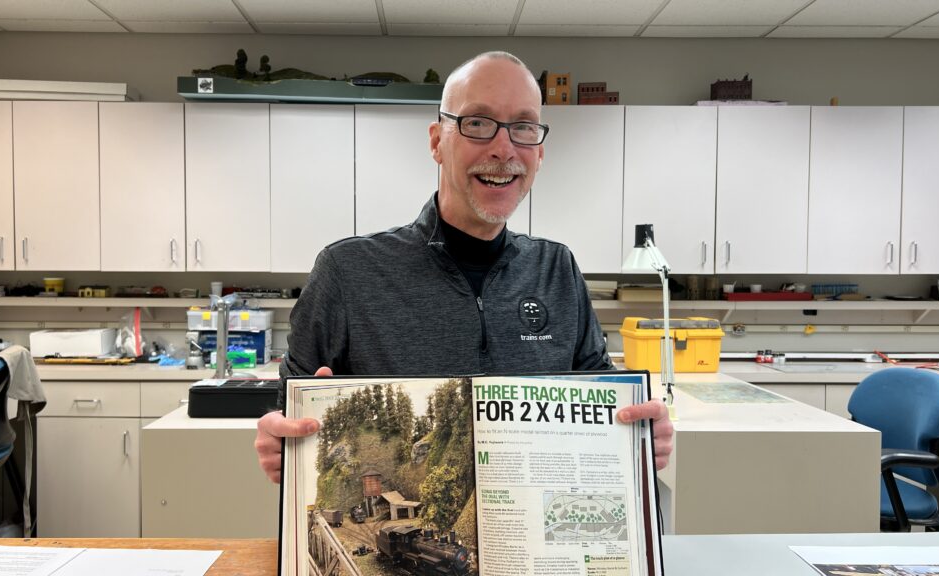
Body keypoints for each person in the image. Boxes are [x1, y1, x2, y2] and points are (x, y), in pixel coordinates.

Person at [256, 51, 673, 483]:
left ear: (540, 153)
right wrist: (277, 431)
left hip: (531, 545)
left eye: (523, 127)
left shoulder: (557, 269)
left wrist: (640, 426)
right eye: (477, 122)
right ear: (437, 141)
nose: (504, 148)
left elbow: (603, 401)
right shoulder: (348, 271)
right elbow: (285, 402)